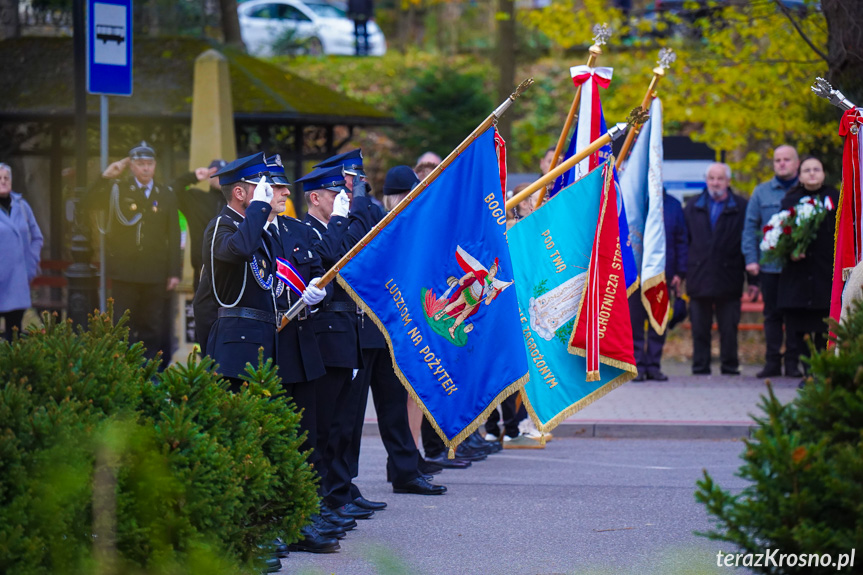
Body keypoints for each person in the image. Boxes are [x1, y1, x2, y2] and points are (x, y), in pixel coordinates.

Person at [344, 165, 447, 496]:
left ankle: (404, 470)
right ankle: (342, 484)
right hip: (358, 326)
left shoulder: (399, 219)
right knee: (350, 412)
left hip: (388, 329)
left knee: (394, 405)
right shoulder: (365, 215)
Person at [89, 142, 183, 364]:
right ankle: (125, 365)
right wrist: (106, 177)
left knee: (153, 323)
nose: (145, 168)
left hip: (155, 271)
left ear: (155, 165)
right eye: (140, 164)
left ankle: (151, 369)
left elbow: (174, 235)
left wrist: (173, 272)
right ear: (131, 166)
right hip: (126, 271)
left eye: (149, 164)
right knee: (124, 321)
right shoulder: (117, 189)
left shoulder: (165, 193)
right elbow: (89, 203)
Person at [684, 163, 751, 376]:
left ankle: (730, 367)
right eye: (712, 178)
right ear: (706, 180)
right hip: (698, 276)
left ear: (728, 181)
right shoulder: (693, 206)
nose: (715, 183)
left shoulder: (741, 206)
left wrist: (753, 281)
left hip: (729, 277)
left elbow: (748, 243)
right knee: (699, 329)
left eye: (720, 178)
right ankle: (700, 368)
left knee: (729, 329)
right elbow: (684, 242)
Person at [742, 145, 802, 378]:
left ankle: (794, 363)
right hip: (769, 267)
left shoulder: (805, 190)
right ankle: (772, 362)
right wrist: (751, 259)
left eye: (787, 159)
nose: (782, 163)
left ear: (796, 163)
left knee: (795, 316)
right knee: (772, 315)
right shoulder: (761, 192)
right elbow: (750, 228)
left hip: (797, 267)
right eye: (778, 160)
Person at [776, 156, 839, 376]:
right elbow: (779, 233)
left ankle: (821, 372)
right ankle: (808, 372)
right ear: (800, 175)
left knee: (823, 328)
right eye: (807, 170)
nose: (812, 173)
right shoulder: (790, 200)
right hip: (798, 275)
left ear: (823, 174)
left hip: (825, 273)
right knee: (799, 328)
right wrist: (790, 249)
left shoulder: (835, 198)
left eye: (816, 169)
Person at [630, 189, 688, 381]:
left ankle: (654, 365)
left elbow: (681, 240)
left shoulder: (673, 205)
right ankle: (637, 365)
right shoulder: (633, 203)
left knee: (658, 322)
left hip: (663, 273)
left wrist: (680, 272)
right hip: (635, 275)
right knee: (635, 323)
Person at [0, 163, 43, 341]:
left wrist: (30, 264)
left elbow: (37, 237)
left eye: (6, 178)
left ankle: (13, 368)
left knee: (14, 334)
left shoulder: (22, 206)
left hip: (18, 281)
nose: (3, 181)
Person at [175, 159, 227, 292]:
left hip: (229, 271)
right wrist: (194, 176)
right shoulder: (196, 199)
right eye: (216, 173)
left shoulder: (236, 203)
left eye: (225, 173)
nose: (220, 178)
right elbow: (172, 191)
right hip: (202, 270)